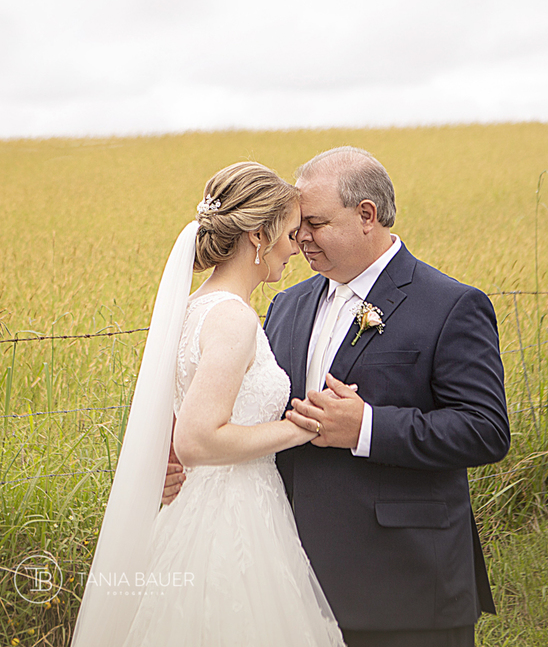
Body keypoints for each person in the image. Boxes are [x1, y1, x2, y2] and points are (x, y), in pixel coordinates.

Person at [166, 146, 509, 647]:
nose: (299, 236)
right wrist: (176, 452)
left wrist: (367, 427)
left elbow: (485, 430)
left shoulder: (451, 304)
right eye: (296, 225)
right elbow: (245, 407)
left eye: (315, 222)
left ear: (366, 215)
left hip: (404, 580)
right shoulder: (287, 303)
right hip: (286, 571)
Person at [71, 162, 345, 647]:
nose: (295, 249)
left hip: (200, 506)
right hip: (230, 522)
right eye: (287, 234)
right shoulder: (231, 318)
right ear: (258, 237)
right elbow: (196, 439)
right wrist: (302, 427)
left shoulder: (197, 307)